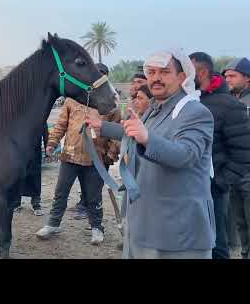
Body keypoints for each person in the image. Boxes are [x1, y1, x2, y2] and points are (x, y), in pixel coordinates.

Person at [88, 49, 215, 259]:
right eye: (152, 72)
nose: (156, 78)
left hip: (176, 234)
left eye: (164, 72)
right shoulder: (156, 109)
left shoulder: (196, 112)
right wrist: (103, 127)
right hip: (143, 224)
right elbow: (140, 135)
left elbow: (186, 155)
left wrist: (147, 138)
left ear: (182, 77)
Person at [35, 64, 121, 245]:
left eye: (102, 77)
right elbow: (61, 125)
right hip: (70, 156)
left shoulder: (111, 103)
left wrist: (110, 156)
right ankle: (53, 224)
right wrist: (52, 143)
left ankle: (97, 228)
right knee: (61, 192)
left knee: (93, 196)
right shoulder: (72, 100)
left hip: (96, 159)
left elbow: (117, 133)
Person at [190, 52, 250, 259]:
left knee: (216, 243)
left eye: (188, 70)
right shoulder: (190, 101)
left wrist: (221, 182)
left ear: (202, 71)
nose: (183, 75)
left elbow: (243, 153)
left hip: (213, 188)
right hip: (188, 185)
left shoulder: (230, 105)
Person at [68, 63, 121, 221]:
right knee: (84, 181)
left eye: (102, 74)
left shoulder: (111, 100)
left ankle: (94, 218)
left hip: (100, 153)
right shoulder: (83, 97)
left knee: (95, 186)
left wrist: (111, 153)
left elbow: (116, 128)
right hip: (83, 151)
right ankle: (83, 204)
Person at [223, 57, 250, 259]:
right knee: (240, 222)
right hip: (234, 172)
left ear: (247, 78)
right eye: (226, 76)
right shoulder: (229, 100)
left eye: (232, 75)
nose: (227, 79)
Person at [10, 123, 48, 216]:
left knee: (35, 176)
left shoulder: (39, 113)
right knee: (18, 176)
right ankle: (16, 203)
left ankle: (36, 204)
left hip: (35, 150)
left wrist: (48, 147)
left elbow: (45, 130)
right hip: (18, 150)